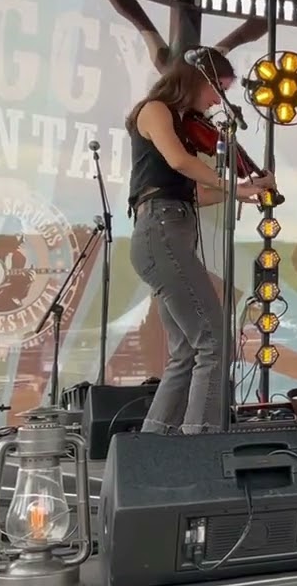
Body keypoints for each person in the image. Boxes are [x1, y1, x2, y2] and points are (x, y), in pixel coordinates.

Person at [125, 47, 274, 434]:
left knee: (187, 351)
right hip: (161, 229)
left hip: (170, 226)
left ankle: (152, 446)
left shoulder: (181, 121)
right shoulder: (155, 110)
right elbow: (179, 161)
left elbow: (192, 192)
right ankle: (199, 443)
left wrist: (244, 191)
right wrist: (234, 185)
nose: (216, 102)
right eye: (216, 89)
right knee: (214, 341)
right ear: (197, 79)